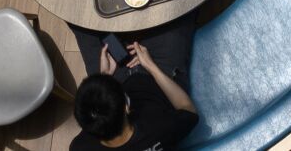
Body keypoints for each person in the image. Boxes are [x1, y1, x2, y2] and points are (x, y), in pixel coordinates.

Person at [69, 32, 198, 151]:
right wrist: (151, 66)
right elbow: (188, 109)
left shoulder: (80, 147)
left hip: (113, 79)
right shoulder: (161, 130)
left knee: (84, 28)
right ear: (126, 107)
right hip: (160, 79)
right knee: (175, 18)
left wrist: (104, 77)